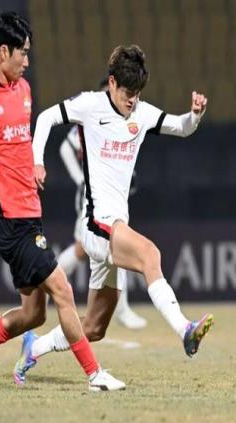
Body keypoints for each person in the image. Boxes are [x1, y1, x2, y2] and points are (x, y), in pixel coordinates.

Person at [0, 11, 124, 392]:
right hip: (7, 218)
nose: (27, 61)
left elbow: (19, 143)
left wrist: (35, 164)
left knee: (33, 315)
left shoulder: (23, 89)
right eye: (22, 52)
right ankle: (94, 375)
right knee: (63, 289)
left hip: (30, 212)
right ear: (3, 51)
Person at [13, 44, 213, 385]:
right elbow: (46, 117)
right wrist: (37, 161)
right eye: (127, 92)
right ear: (111, 82)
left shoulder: (142, 113)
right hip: (96, 224)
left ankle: (34, 347)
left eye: (137, 93)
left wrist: (194, 115)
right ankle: (185, 330)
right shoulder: (90, 105)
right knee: (150, 254)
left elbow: (181, 127)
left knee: (94, 328)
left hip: (115, 226)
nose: (132, 100)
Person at [57, 77, 147, 330]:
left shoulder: (123, 120)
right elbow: (65, 148)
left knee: (92, 248)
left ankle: (47, 283)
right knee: (105, 246)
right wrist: (79, 179)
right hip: (92, 196)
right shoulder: (94, 116)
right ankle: (48, 282)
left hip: (108, 195)